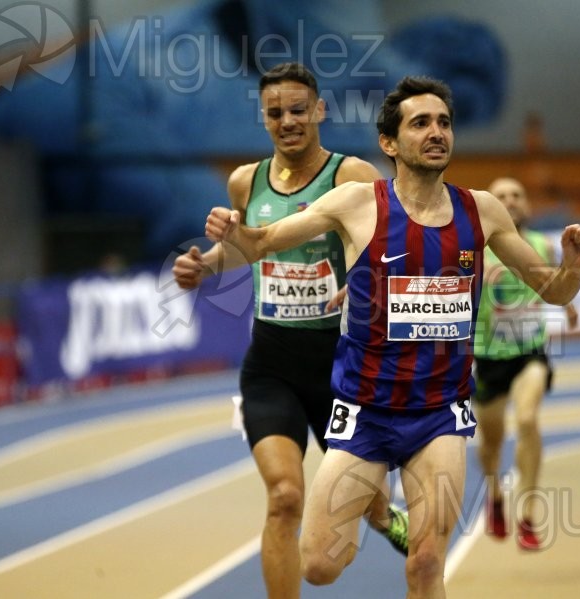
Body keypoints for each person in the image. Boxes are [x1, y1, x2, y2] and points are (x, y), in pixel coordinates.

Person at [197, 76, 580, 598]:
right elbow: (263, 241)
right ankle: (380, 507)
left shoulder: (482, 211)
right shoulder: (357, 204)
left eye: (444, 123)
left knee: (427, 563)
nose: (437, 133)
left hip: (439, 413)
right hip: (365, 411)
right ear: (389, 143)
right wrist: (234, 233)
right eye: (420, 123)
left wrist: (573, 266)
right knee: (318, 565)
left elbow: (555, 292)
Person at [172, 63, 407, 599]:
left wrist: (368, 277)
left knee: (365, 502)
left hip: (343, 370)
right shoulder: (245, 181)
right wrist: (203, 265)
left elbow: (388, 242)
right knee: (284, 498)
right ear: (264, 118)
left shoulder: (351, 177)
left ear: (320, 110)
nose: (288, 121)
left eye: (298, 110)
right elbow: (245, 245)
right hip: (272, 366)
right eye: (276, 113)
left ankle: (383, 513)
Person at [472, 177, 579, 550]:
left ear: (527, 204)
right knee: (490, 443)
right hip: (486, 358)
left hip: (530, 353)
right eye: (501, 196)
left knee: (529, 419)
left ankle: (529, 516)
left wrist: (572, 308)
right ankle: (494, 493)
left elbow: (556, 282)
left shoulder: (541, 245)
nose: (510, 201)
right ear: (491, 206)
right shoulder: (476, 250)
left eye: (517, 195)